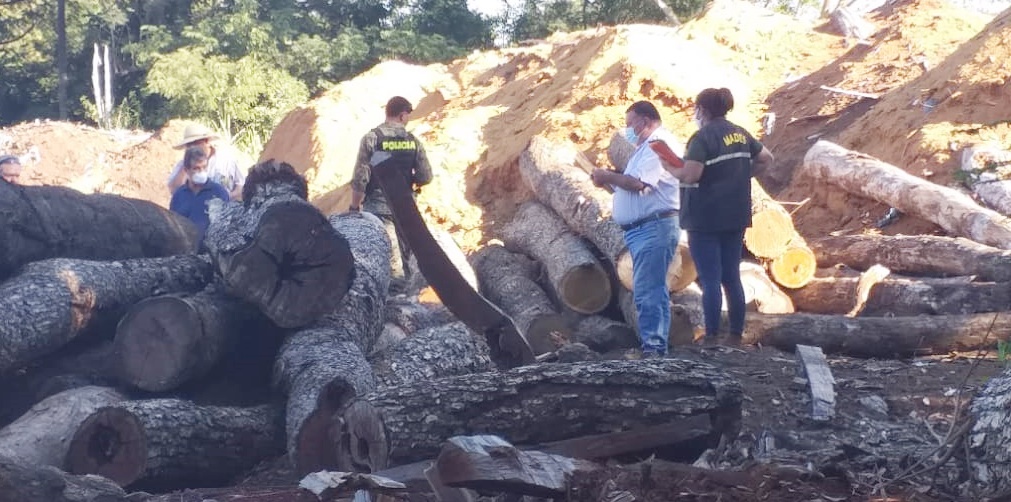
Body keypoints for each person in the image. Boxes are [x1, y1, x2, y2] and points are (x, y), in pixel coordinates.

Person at [664, 87, 774, 344]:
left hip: (705, 218)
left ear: (702, 110)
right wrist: (741, 174)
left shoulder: (702, 138)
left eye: (696, 109)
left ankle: (712, 335)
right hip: (734, 215)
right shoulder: (740, 133)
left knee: (710, 278)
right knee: (731, 276)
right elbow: (766, 158)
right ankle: (735, 333)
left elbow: (691, 174)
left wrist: (669, 167)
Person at [590, 101, 682, 357]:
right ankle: (656, 346)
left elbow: (639, 184)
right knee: (652, 288)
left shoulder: (657, 145)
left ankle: (654, 349)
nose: (628, 130)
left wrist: (607, 176)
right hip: (644, 228)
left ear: (645, 120)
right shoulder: (645, 149)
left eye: (630, 124)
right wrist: (610, 182)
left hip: (653, 227)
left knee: (648, 290)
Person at [349, 96, 434, 294]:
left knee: (387, 261)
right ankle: (408, 300)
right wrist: (413, 183)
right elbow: (426, 176)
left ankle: (391, 300)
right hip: (406, 208)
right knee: (406, 260)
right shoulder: (413, 141)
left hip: (378, 209)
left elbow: (361, 178)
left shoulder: (371, 139)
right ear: (403, 115)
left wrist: (354, 207)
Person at [169, 146, 230, 244]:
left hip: (210, 250)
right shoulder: (178, 195)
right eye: (196, 168)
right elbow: (172, 226)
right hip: (184, 249)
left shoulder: (219, 193)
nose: (201, 172)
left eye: (204, 167)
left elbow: (227, 227)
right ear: (186, 170)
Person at [166, 124, 245, 200]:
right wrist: (186, 166)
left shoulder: (227, 161)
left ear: (206, 141)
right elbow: (175, 190)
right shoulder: (183, 165)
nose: (192, 147)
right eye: (188, 145)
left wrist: (224, 199)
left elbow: (241, 187)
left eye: (195, 143)